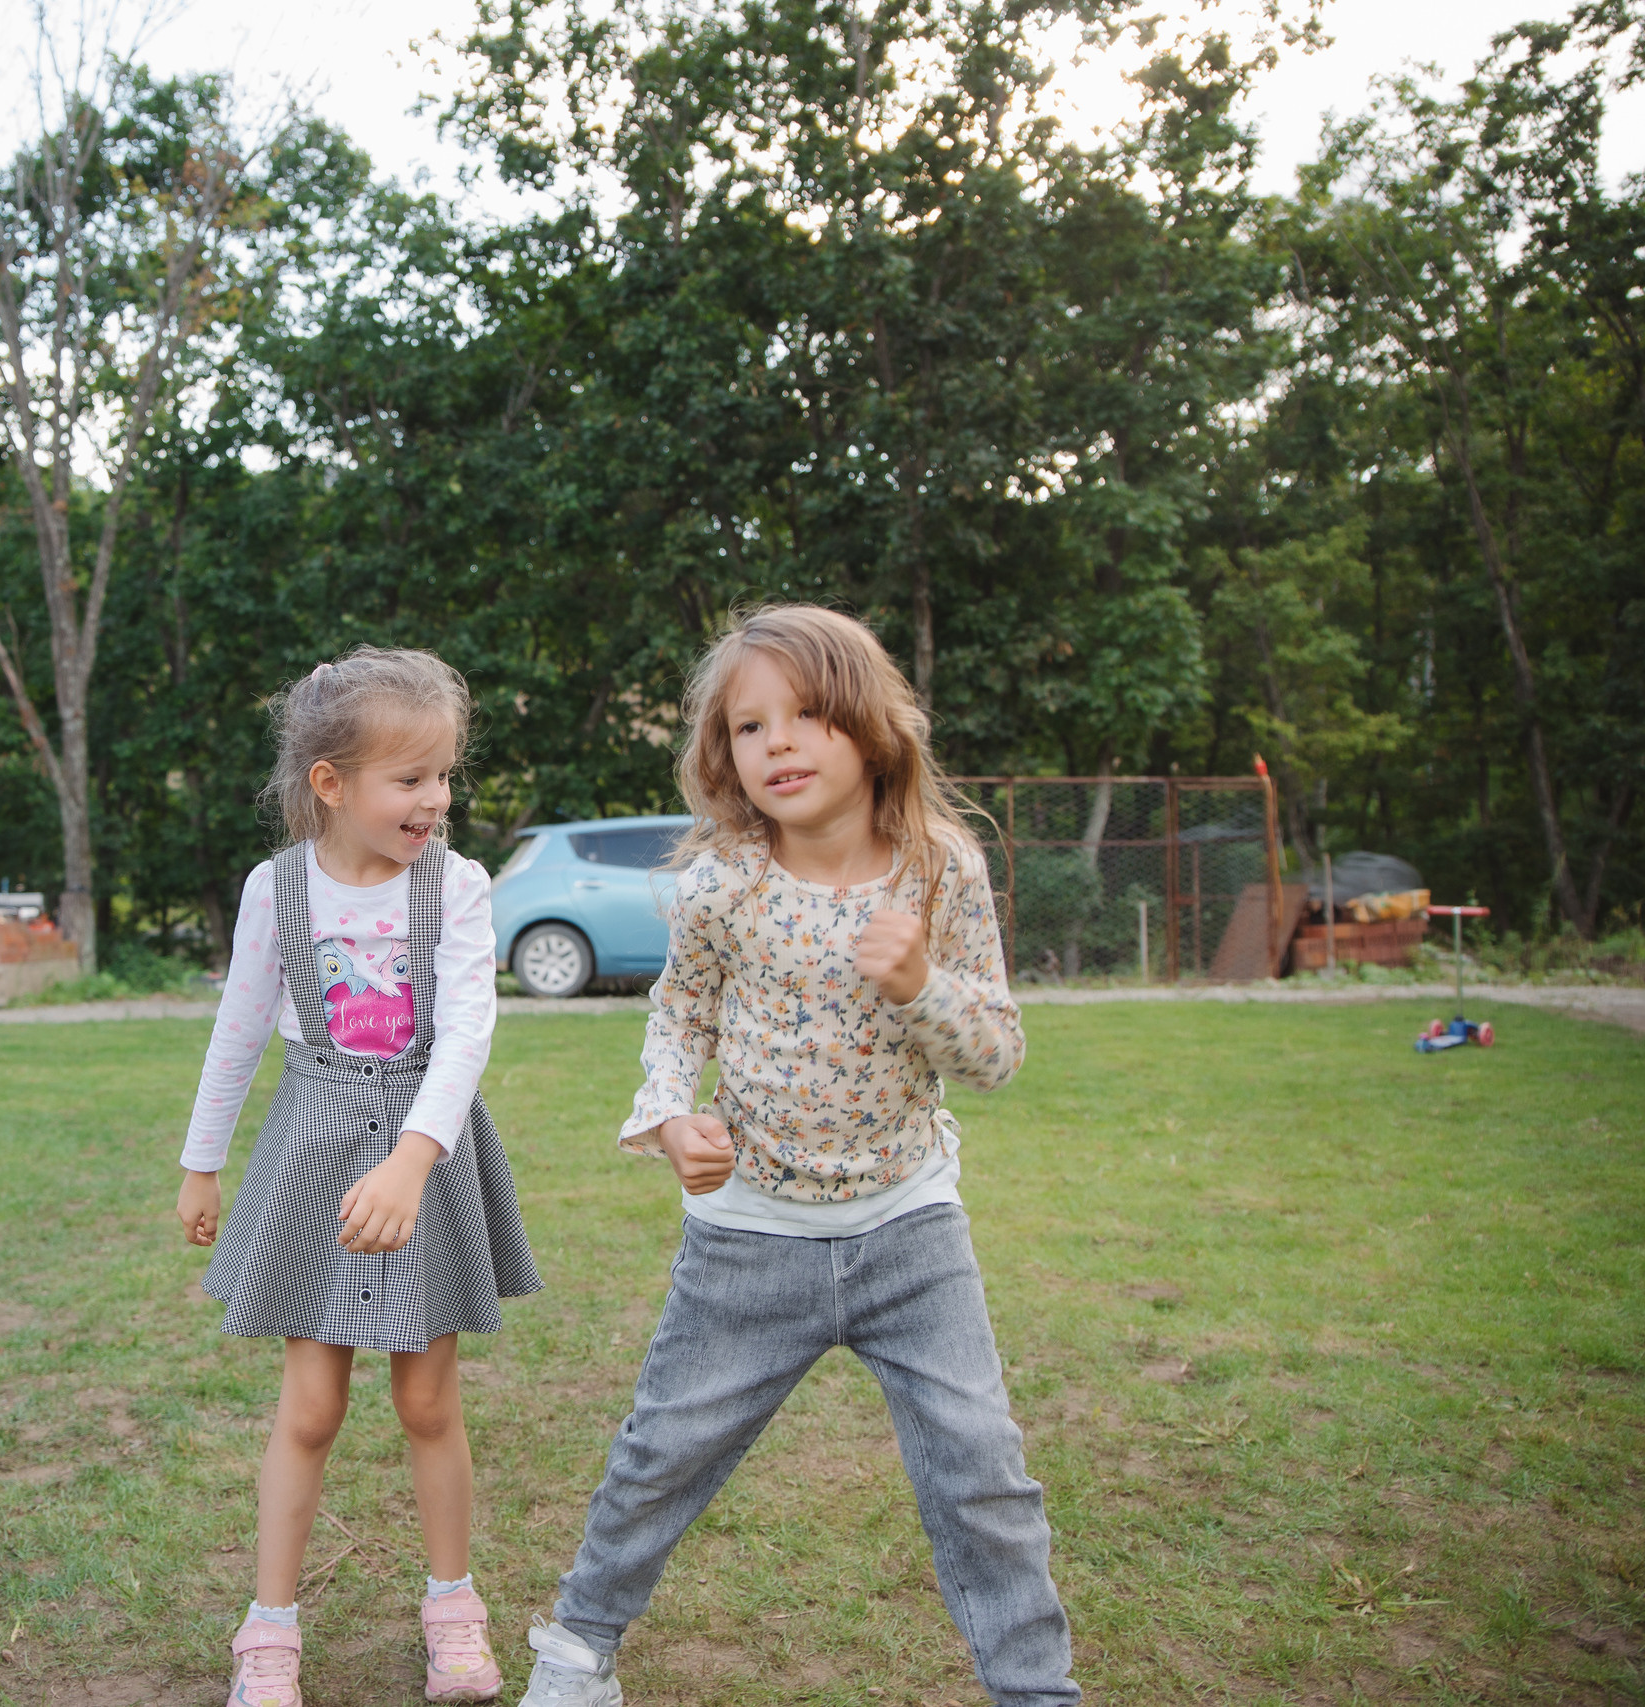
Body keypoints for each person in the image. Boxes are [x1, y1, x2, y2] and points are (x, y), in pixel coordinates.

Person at [517, 606, 1072, 1707]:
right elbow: (677, 1022)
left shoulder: (940, 872)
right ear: (723, 755)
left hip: (911, 1230)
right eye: (749, 725)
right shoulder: (722, 884)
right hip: (749, 1241)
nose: (778, 743)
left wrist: (921, 984)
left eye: (808, 716)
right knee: (660, 1453)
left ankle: (1035, 1691)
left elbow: (998, 1053)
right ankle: (578, 1653)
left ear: (869, 731)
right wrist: (670, 1121)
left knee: (983, 1477)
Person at [178, 647, 540, 1707]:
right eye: (410, 778)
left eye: (443, 777)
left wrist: (412, 1164)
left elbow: (469, 1030)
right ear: (330, 784)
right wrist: (201, 1163)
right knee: (309, 1406)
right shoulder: (275, 888)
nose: (434, 799)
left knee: (429, 1400)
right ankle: (269, 1631)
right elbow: (239, 1028)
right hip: (316, 1149)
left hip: (424, 1155)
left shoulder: (458, 884)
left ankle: (452, 1613)